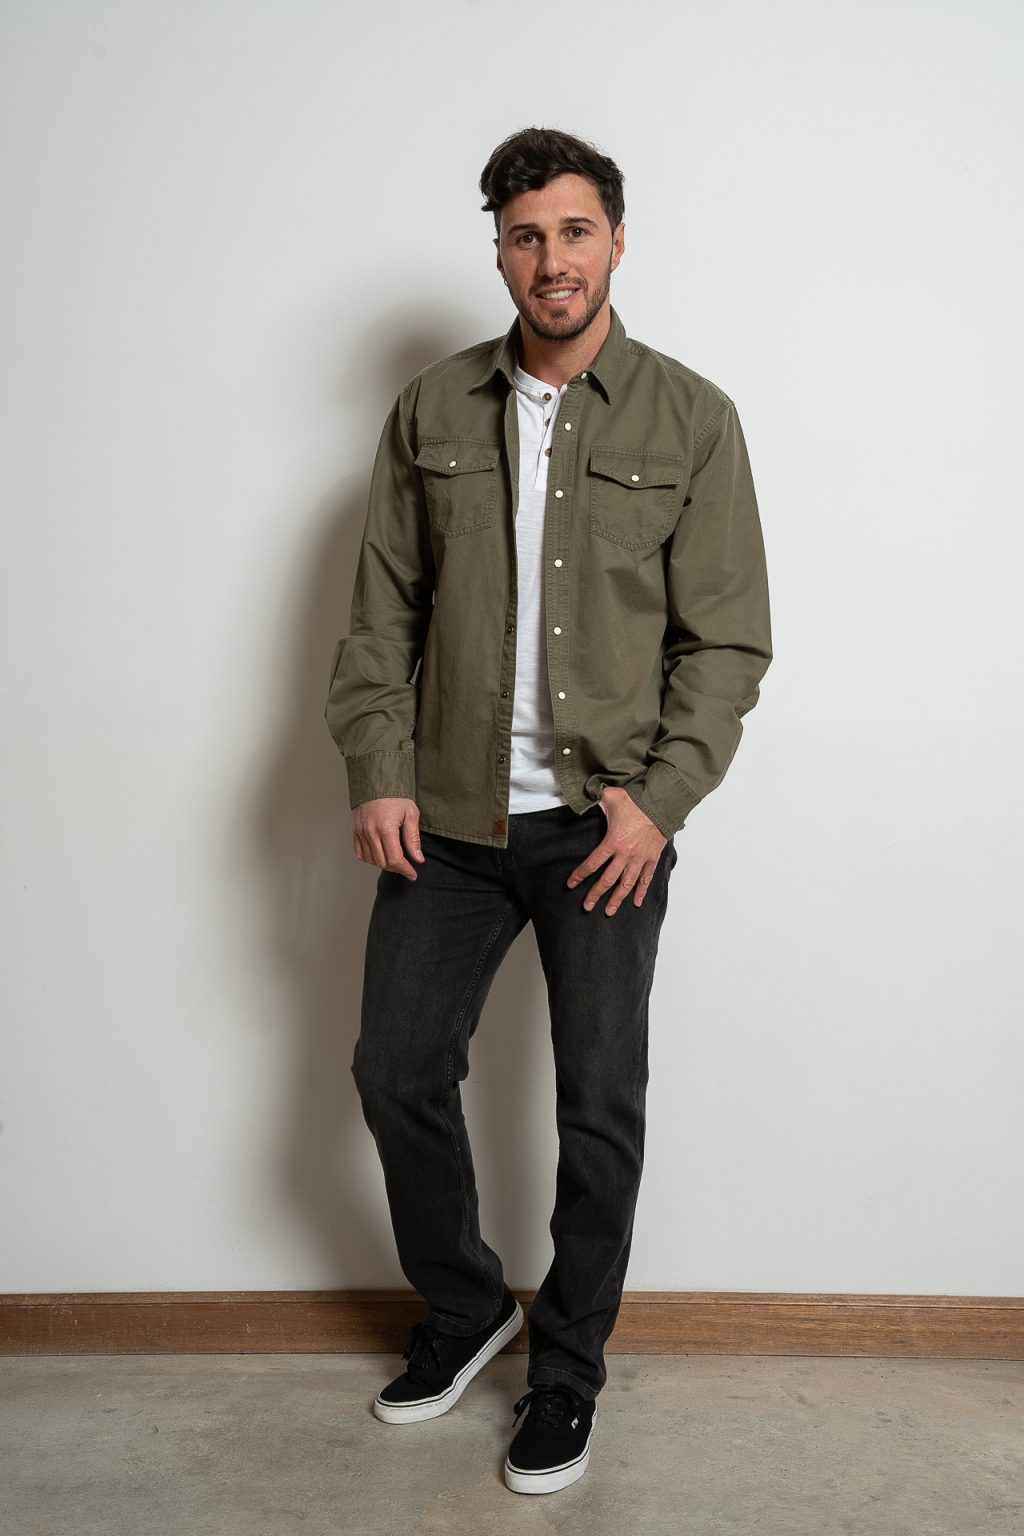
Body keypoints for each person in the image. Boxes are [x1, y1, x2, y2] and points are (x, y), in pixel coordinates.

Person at [324, 125, 772, 1496]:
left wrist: (660, 805)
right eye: (526, 235)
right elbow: (380, 616)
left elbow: (726, 643)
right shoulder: (432, 410)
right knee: (395, 1069)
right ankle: (467, 1311)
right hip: (450, 822)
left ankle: (566, 1372)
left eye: (575, 231)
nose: (552, 259)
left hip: (602, 829)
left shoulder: (691, 418)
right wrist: (379, 766)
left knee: (598, 1106)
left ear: (617, 241)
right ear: (500, 252)